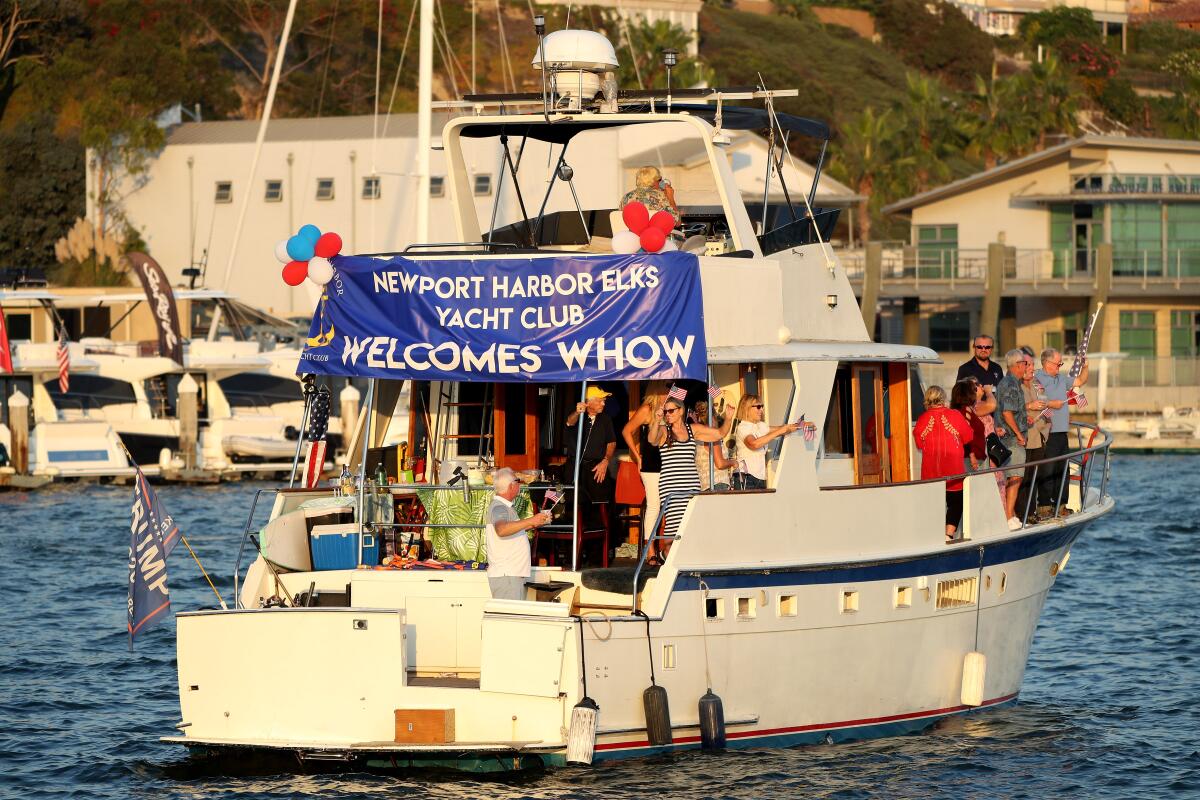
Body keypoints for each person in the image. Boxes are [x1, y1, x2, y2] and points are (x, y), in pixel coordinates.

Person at [648, 390, 732, 546]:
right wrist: (656, 420)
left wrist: (728, 417)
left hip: (692, 484)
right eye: (666, 411)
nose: (668, 414)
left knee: (691, 527)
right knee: (674, 529)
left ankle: (683, 560)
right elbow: (652, 440)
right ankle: (666, 555)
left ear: (681, 411)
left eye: (671, 410)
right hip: (671, 485)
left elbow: (720, 434)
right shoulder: (663, 431)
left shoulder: (692, 429)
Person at [1034, 347, 1089, 518]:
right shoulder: (1037, 378)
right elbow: (1035, 401)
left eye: (1061, 363)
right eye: (1058, 363)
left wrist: (1085, 367)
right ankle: (1044, 506)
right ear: (1047, 363)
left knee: (1063, 470)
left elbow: (1079, 381)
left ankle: (1061, 505)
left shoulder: (1061, 378)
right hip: (1047, 433)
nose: (1060, 366)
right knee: (1047, 470)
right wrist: (1051, 404)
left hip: (1062, 432)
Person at [914, 385, 974, 541]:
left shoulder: (922, 419)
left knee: (933, 504)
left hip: (931, 470)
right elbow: (968, 437)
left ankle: (932, 535)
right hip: (952, 468)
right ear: (943, 398)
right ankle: (948, 534)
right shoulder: (954, 415)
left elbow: (919, 444)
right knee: (956, 502)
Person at [993, 349, 1043, 530]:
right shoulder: (1011, 384)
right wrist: (1020, 434)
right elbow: (1007, 413)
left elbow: (1014, 411)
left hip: (1011, 436)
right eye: (1024, 364)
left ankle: (1010, 513)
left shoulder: (1011, 382)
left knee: (1015, 476)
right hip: (1012, 439)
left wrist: (1023, 417)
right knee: (1014, 477)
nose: (1026, 366)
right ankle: (1008, 516)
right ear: (1016, 366)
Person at [566, 386, 618, 558]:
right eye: (600, 400)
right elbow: (569, 422)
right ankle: (573, 552)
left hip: (597, 466)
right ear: (589, 402)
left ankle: (599, 551)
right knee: (574, 506)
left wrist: (605, 461)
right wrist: (577, 412)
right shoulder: (578, 416)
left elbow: (611, 443)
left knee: (600, 505)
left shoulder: (606, 419)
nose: (604, 403)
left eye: (604, 400)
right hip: (576, 467)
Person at [485, 468, 553, 600]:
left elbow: (512, 530)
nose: (520, 484)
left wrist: (535, 523)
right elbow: (502, 530)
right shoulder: (499, 507)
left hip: (510, 575)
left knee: (511, 617)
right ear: (511, 485)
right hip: (507, 575)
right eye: (518, 481)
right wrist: (531, 520)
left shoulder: (505, 507)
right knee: (508, 617)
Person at [621, 381, 668, 543]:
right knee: (654, 505)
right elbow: (627, 431)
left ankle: (667, 546)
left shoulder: (671, 409)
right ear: (657, 389)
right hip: (651, 464)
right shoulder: (647, 409)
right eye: (667, 387)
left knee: (671, 506)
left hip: (669, 463)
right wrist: (637, 456)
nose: (669, 391)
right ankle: (650, 549)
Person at [731, 394, 800, 490]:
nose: (761, 410)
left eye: (762, 407)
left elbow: (784, 429)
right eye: (758, 407)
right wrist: (779, 432)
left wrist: (803, 425)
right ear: (747, 408)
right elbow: (753, 444)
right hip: (747, 477)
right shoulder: (743, 427)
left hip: (760, 477)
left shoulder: (760, 426)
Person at [1016, 351, 1052, 521]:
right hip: (1024, 440)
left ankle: (1031, 512)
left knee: (1034, 477)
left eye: (1032, 365)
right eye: (1028, 365)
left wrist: (1045, 431)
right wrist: (1029, 406)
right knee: (1023, 479)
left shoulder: (1037, 385)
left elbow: (1047, 408)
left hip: (1039, 438)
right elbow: (1009, 410)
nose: (1031, 369)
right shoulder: (1014, 387)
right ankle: (1022, 513)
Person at [693, 400, 735, 491]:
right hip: (718, 484)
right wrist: (733, 462)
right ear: (713, 417)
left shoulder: (698, 437)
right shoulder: (712, 437)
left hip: (703, 486)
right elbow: (720, 464)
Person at [956, 334, 1004, 405]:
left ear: (992, 348)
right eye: (979, 347)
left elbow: (1003, 392)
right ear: (974, 347)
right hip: (975, 413)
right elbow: (958, 395)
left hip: (996, 414)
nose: (983, 350)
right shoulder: (965, 369)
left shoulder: (997, 368)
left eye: (987, 347)